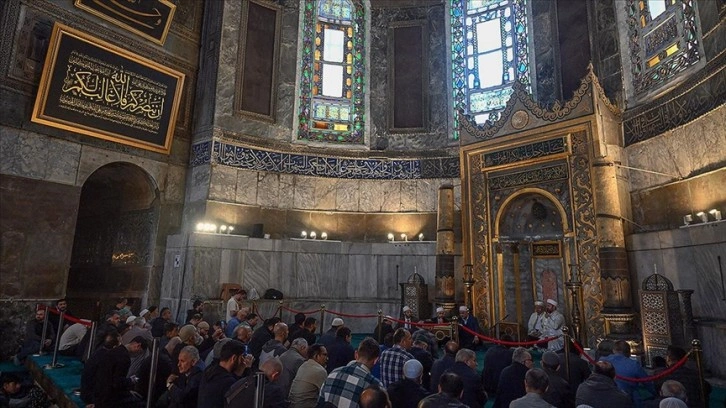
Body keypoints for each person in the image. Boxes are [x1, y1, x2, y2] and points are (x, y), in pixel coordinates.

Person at [318, 337, 382, 407]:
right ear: (375, 360)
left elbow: (320, 404)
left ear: (356, 354)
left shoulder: (333, 374)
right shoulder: (375, 387)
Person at [197, 340, 254, 408]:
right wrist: (246, 369)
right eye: (243, 357)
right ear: (234, 358)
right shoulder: (228, 381)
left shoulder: (209, 370)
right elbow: (242, 398)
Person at [600, 340, 654, 407]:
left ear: (614, 350)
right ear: (629, 353)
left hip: (603, 397)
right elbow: (648, 383)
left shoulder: (602, 361)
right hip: (627, 399)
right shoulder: (633, 365)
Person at [289, 344, 328, 408]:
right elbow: (326, 395)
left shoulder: (303, 366)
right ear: (316, 356)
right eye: (324, 355)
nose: (327, 358)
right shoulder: (320, 370)